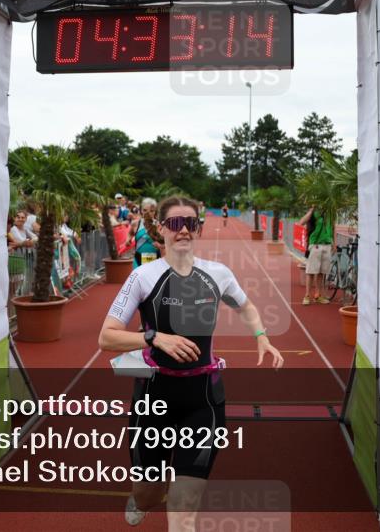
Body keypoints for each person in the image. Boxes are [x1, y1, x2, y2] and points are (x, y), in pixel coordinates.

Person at [99, 196, 284, 531]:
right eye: (174, 223)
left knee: (185, 504)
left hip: (205, 400)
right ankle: (141, 498)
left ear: (198, 227)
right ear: (161, 228)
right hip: (153, 399)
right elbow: (106, 337)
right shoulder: (142, 277)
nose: (182, 230)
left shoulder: (219, 274)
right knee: (149, 493)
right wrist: (154, 337)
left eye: (190, 223)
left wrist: (261, 334)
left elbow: (246, 306)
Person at [299, 206, 334, 305]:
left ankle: (318, 295)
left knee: (321, 273)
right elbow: (301, 222)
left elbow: (333, 228)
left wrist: (333, 244)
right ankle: (307, 295)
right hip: (316, 245)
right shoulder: (314, 212)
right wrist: (311, 210)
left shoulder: (330, 212)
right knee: (310, 271)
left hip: (327, 245)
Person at [130, 198, 162, 268]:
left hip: (156, 261)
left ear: (155, 211)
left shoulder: (159, 225)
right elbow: (130, 233)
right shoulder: (135, 223)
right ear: (141, 210)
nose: (148, 213)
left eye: (151, 211)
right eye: (145, 210)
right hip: (138, 260)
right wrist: (128, 240)